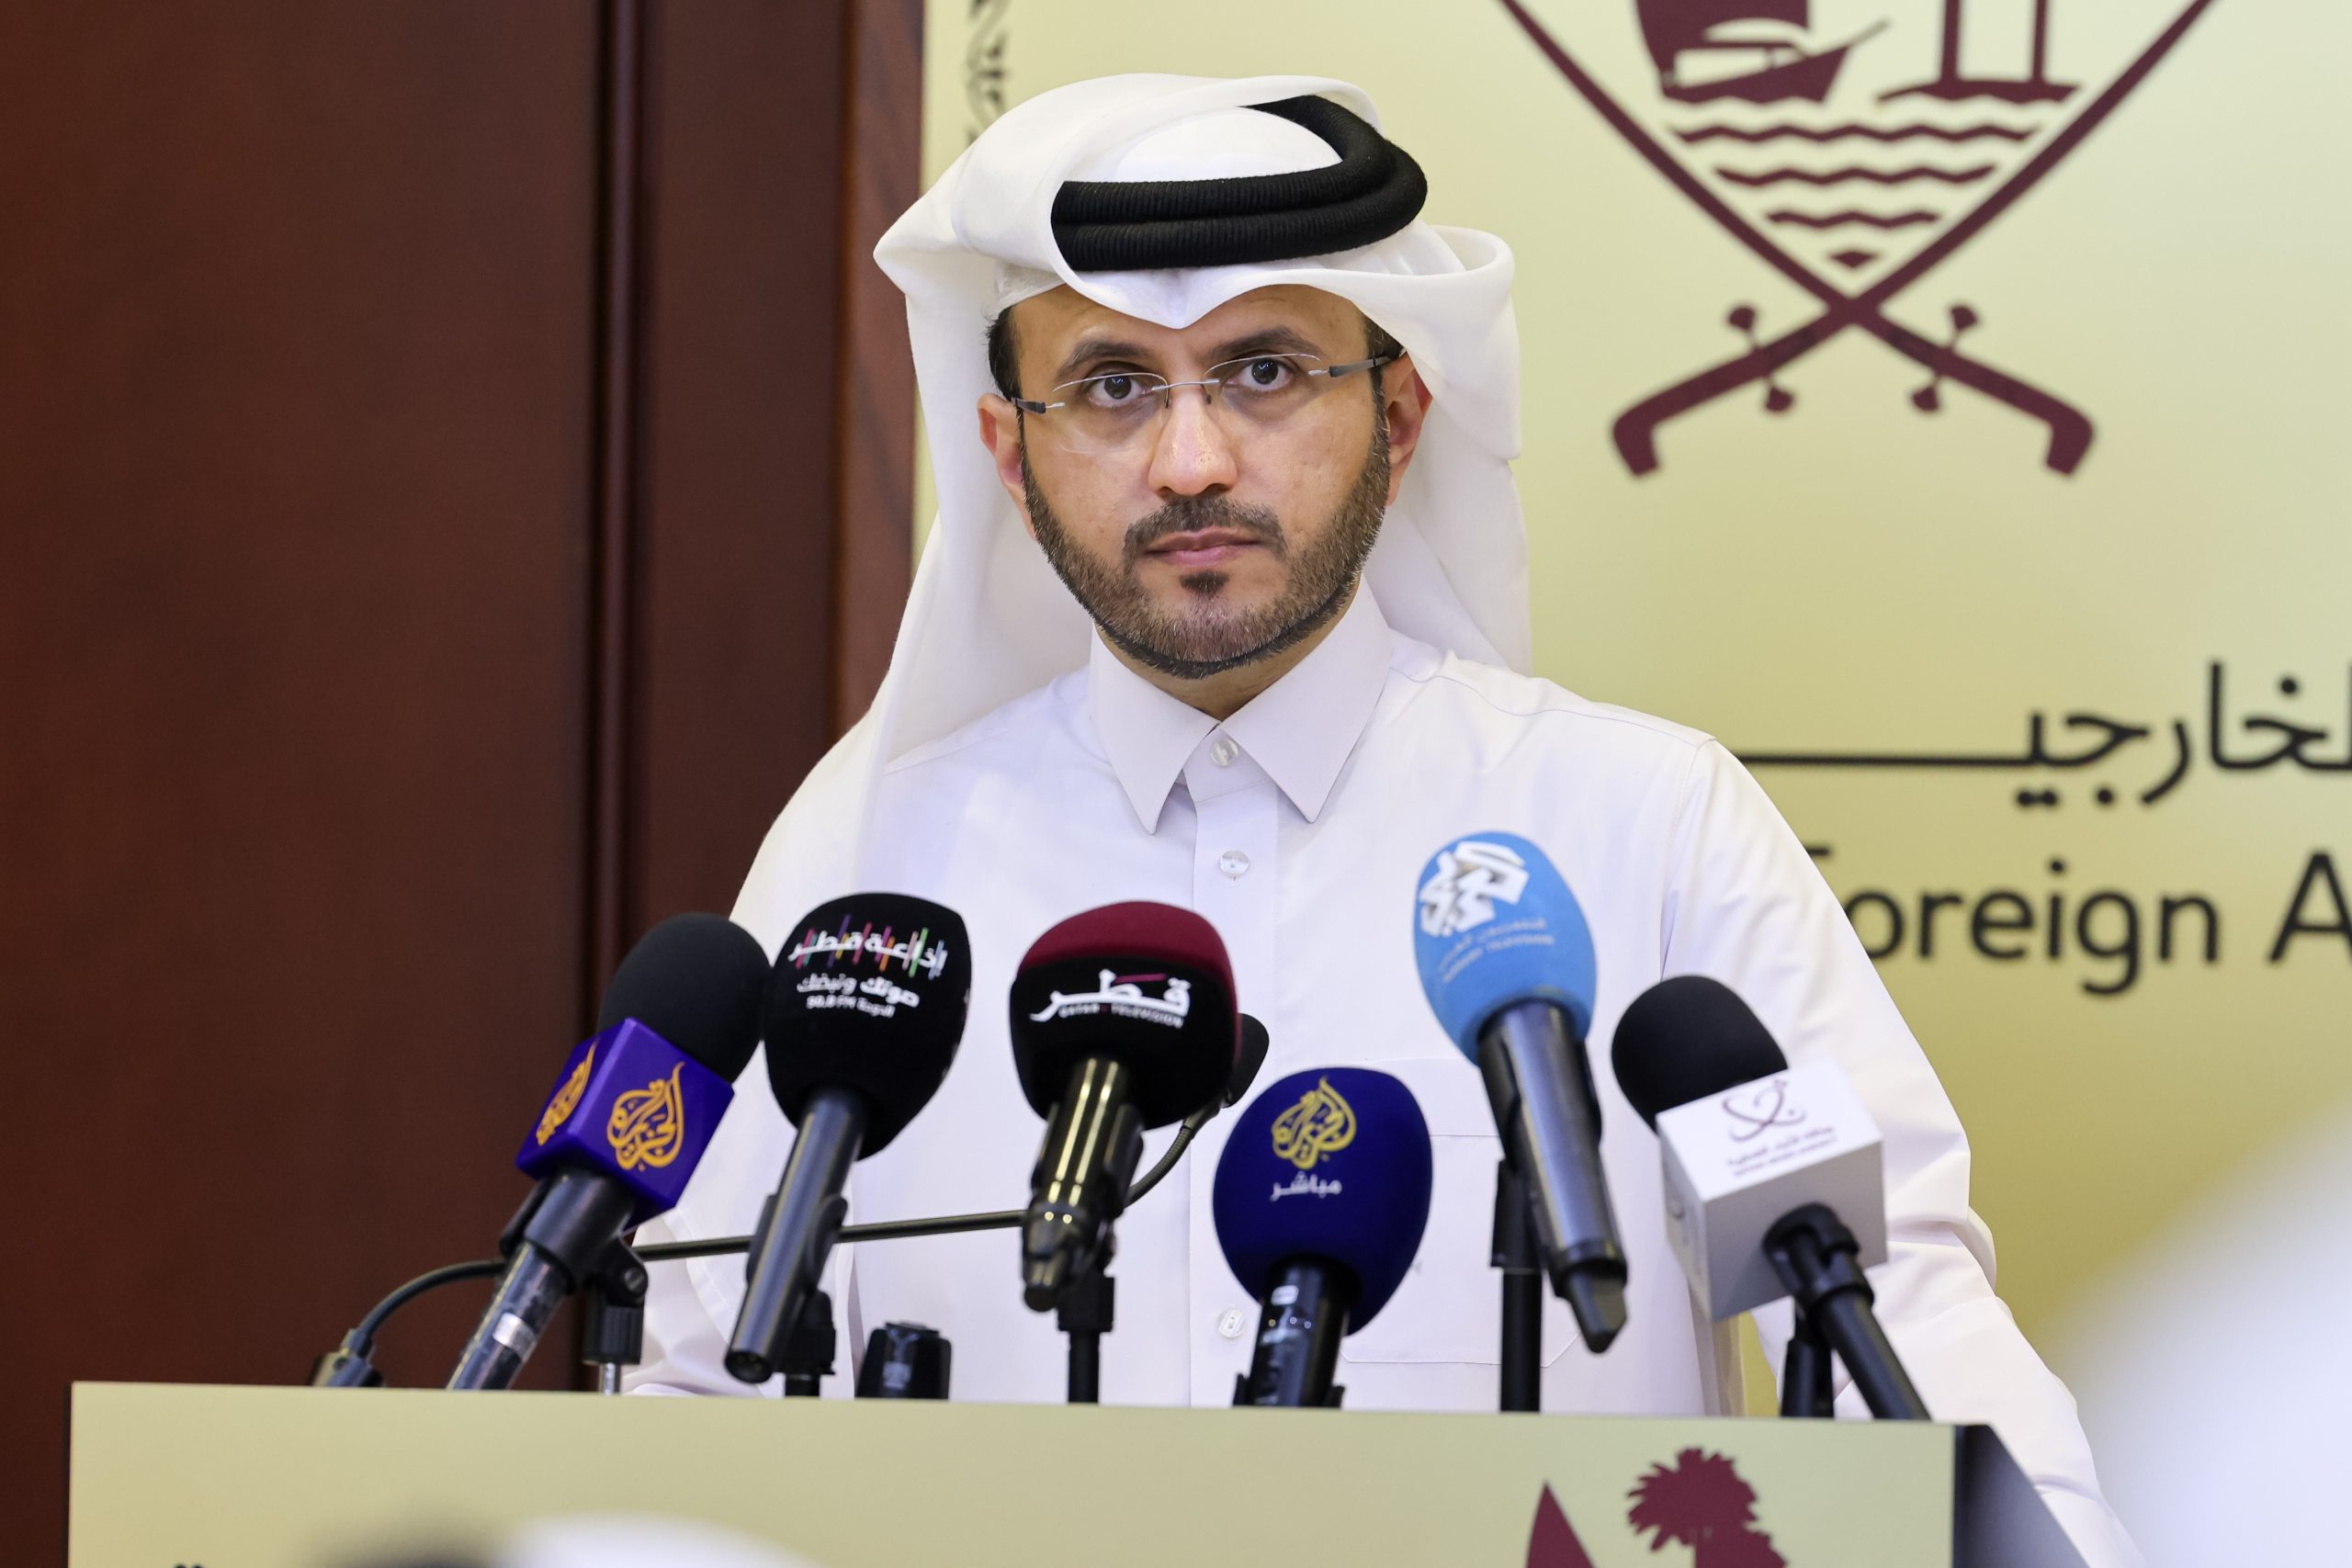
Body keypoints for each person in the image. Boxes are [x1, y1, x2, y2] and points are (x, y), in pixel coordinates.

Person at [627, 73, 2137, 1564]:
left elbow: (1877, 1303)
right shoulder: (868, 873)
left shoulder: (1649, 835)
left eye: (1265, 371)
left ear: (1401, 418)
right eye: (1113, 386)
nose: (1193, 463)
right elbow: (691, 1384)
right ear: (1010, 455)